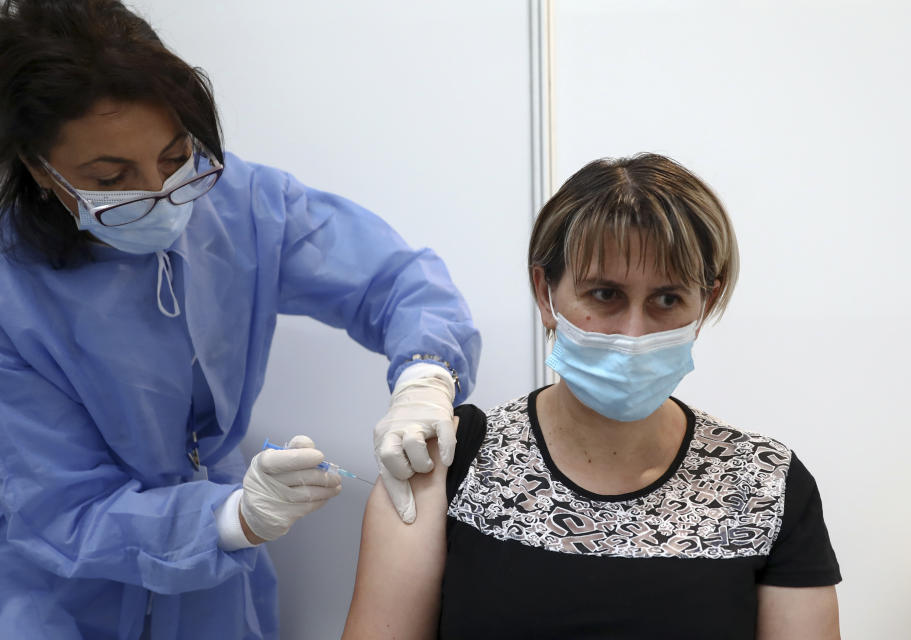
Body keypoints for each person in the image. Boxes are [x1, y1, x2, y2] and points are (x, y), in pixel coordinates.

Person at [0, 1, 480, 638]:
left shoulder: (241, 204)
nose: (160, 195)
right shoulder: (13, 290)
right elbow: (62, 510)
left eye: (175, 159)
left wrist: (425, 379)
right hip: (65, 602)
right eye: (112, 179)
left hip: (216, 604)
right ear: (39, 169)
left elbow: (397, 281)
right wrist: (231, 519)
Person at [343, 153, 842, 639]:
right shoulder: (444, 464)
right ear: (546, 293)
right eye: (605, 295)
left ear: (704, 303)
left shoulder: (764, 485)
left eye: (667, 300)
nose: (632, 333)